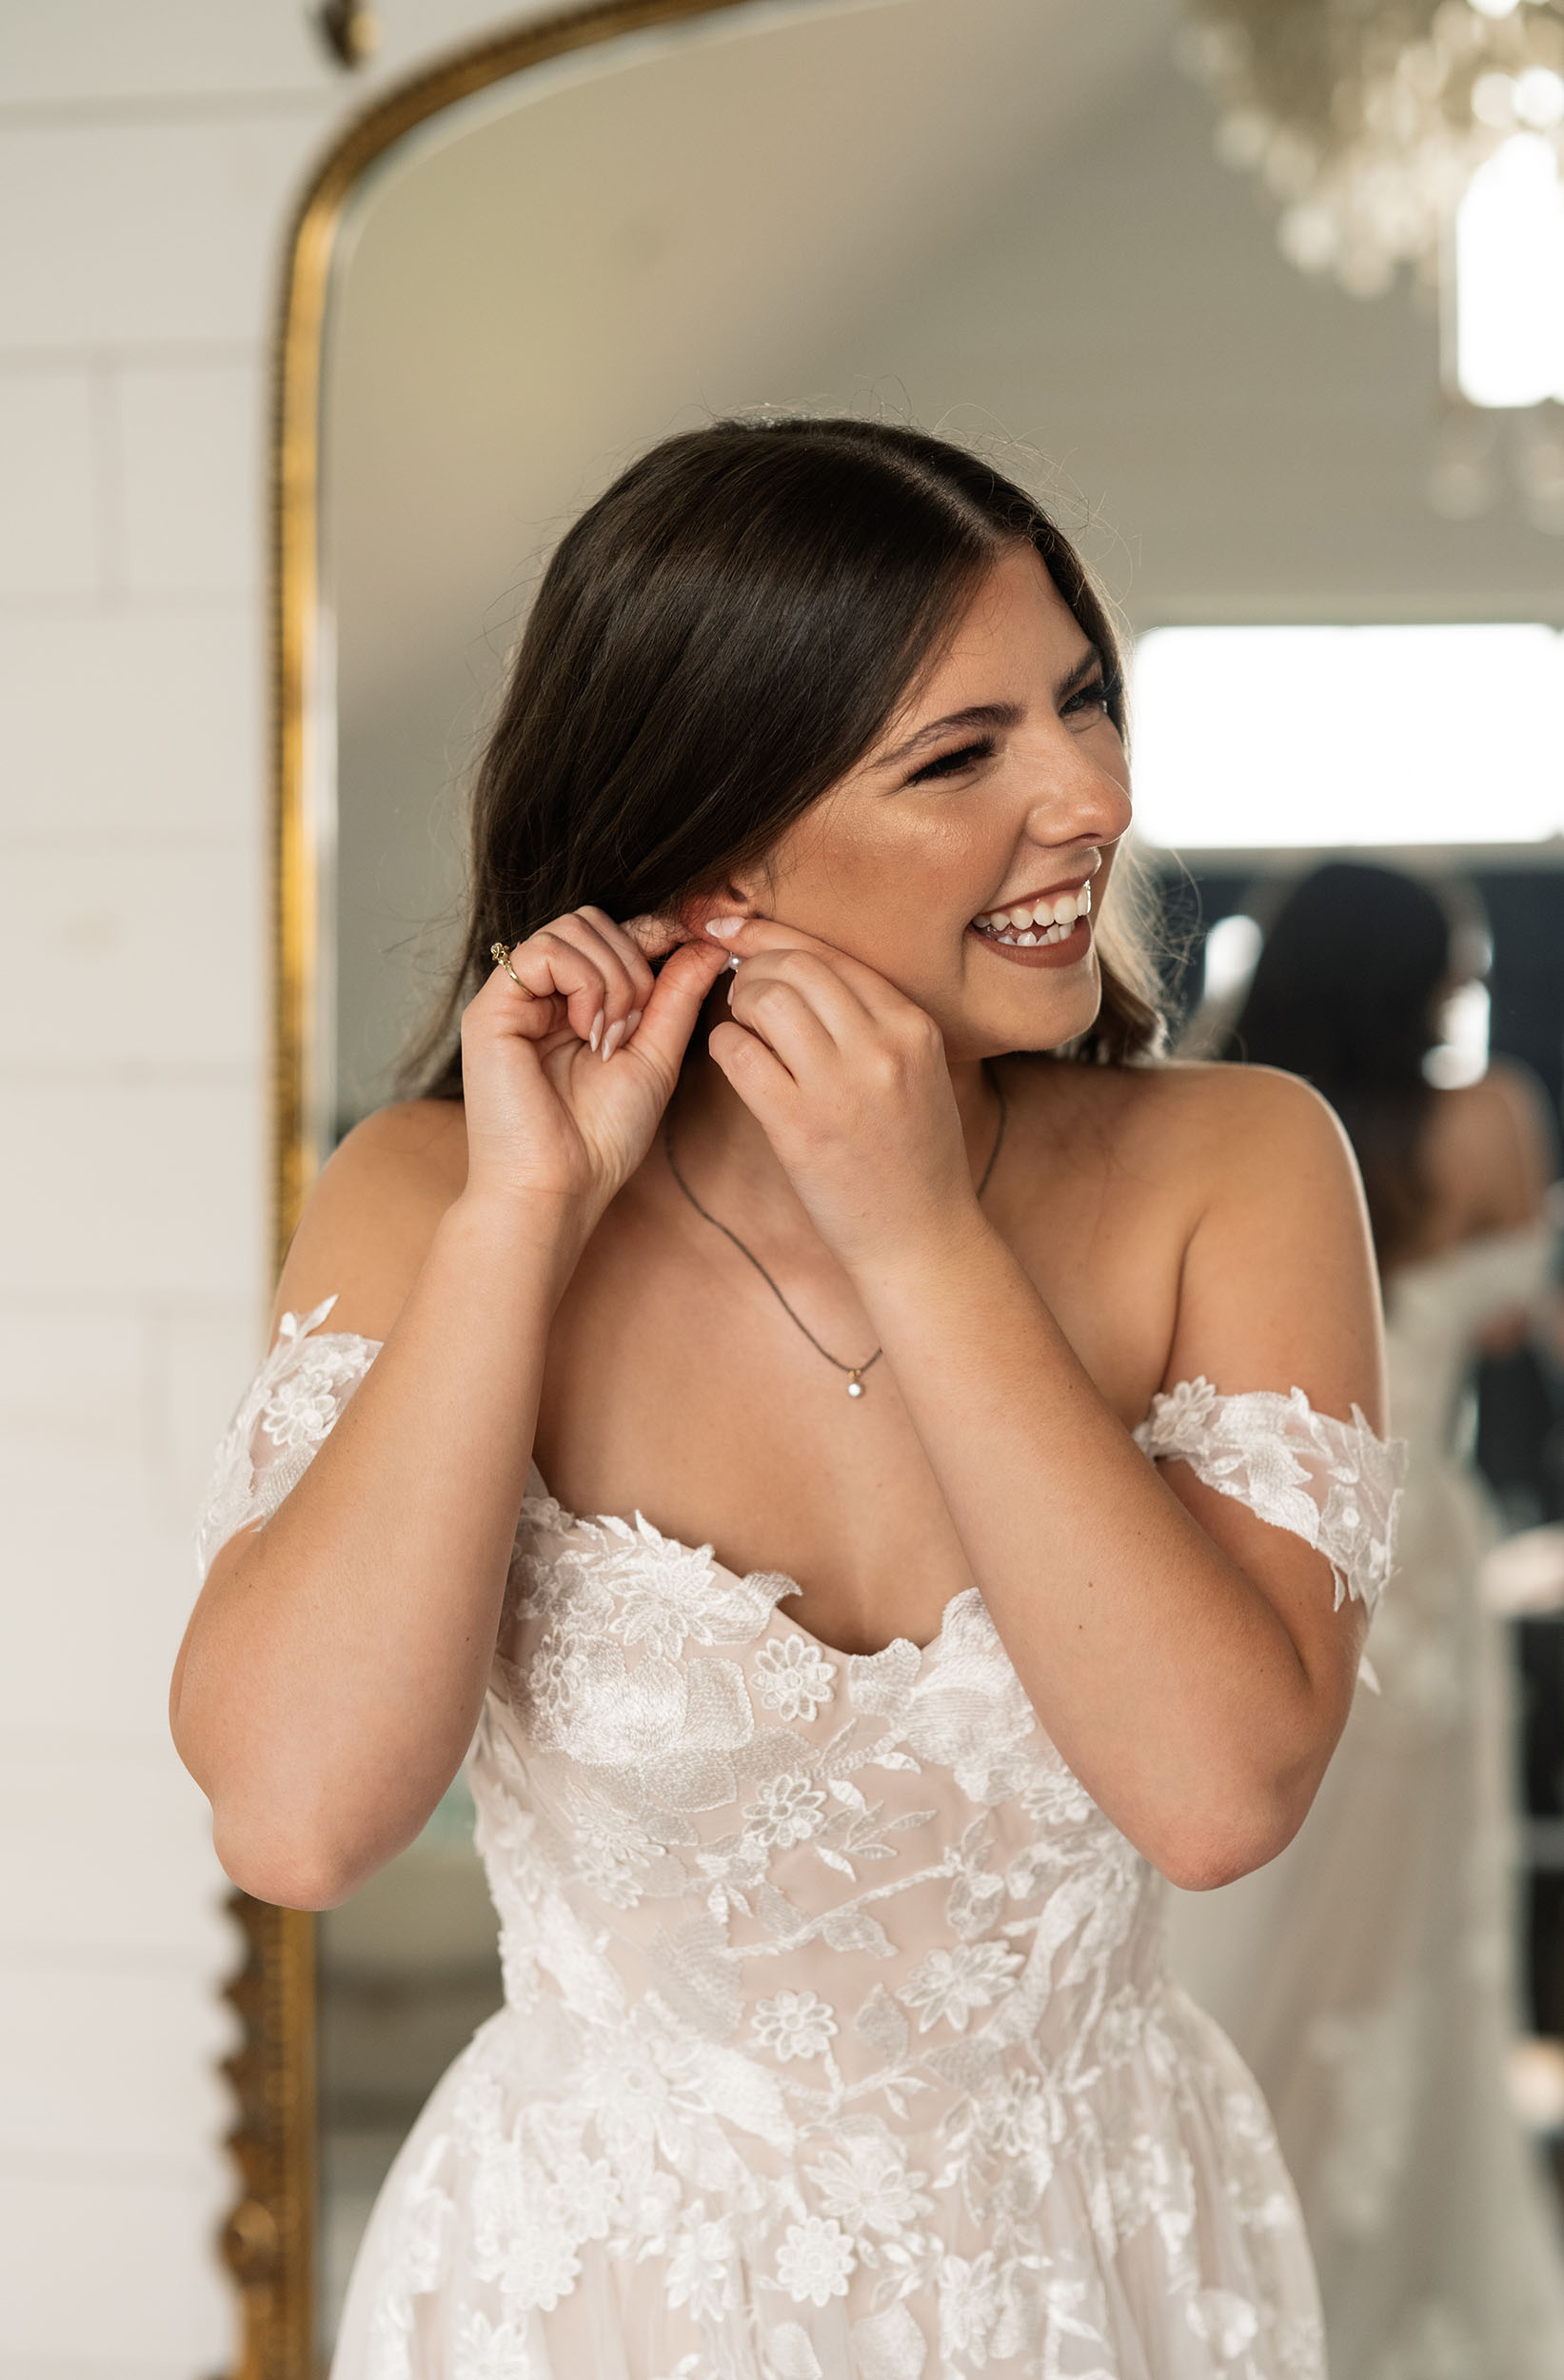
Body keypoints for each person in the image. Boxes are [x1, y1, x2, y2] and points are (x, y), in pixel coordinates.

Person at [172, 421, 1403, 2379]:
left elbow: (1215, 1789)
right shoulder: (427, 1201)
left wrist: (921, 1238)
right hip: (587, 2300)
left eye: (1081, 701)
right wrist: (520, 1224)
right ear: (722, 854)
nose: (1090, 792)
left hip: (1084, 2279)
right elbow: (302, 1816)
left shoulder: (1236, 1171)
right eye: (963, 752)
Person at [1168, 860, 1564, 2380]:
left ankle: (1226, 2260)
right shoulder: (1487, 1122)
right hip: (1423, 1566)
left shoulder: (1219, 1111)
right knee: (1411, 1932)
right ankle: (1367, 2290)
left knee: (1245, 1906)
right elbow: (1513, 1314)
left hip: (1256, 1541)